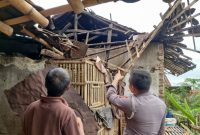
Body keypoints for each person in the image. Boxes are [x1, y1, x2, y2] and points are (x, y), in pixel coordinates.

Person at [23, 68, 84, 135]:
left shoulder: (31, 108)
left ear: (45, 84)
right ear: (68, 87)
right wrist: (79, 126)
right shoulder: (67, 114)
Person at [106, 69, 166, 135]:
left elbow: (110, 95)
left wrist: (116, 79)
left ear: (132, 87)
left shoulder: (131, 103)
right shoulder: (161, 104)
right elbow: (161, 131)